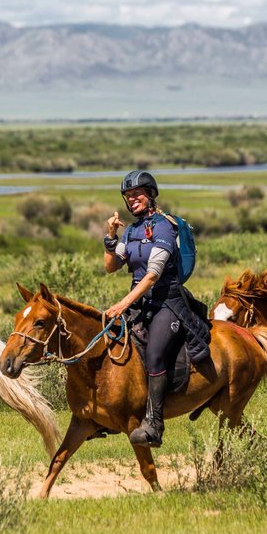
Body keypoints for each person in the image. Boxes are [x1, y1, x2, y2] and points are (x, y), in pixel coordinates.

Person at [103, 170, 186, 448]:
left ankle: (154, 424)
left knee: (153, 353)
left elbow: (152, 275)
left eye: (137, 194)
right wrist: (110, 236)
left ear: (150, 195)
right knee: (111, 342)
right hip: (141, 303)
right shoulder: (133, 230)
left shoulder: (164, 226)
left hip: (167, 303)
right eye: (128, 196)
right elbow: (111, 265)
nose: (132, 199)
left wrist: (123, 303)